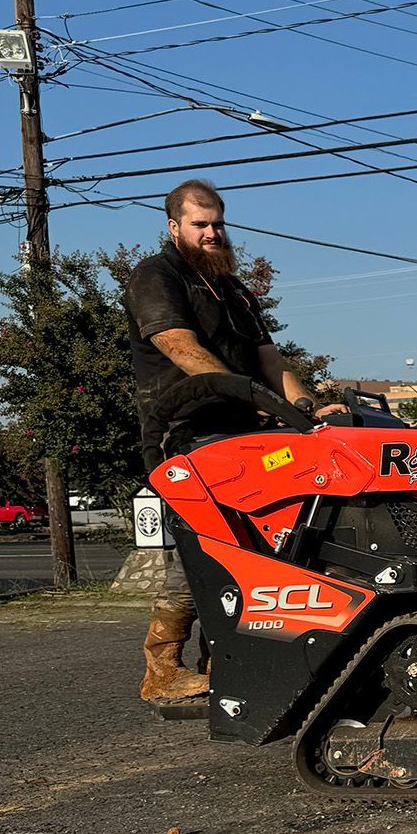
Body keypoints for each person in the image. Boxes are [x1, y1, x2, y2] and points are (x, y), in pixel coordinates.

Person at [124, 178, 337, 706]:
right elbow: (177, 344)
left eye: (218, 222)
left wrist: (306, 408)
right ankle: (163, 670)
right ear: (174, 227)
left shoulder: (233, 287)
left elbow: (270, 359)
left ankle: (226, 661)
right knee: (209, 545)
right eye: (201, 225)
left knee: (259, 543)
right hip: (191, 428)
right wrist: (244, 393)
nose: (212, 232)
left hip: (243, 431)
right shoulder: (156, 275)